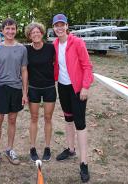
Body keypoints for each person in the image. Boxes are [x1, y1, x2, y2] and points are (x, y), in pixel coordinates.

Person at [52, 14, 94, 183]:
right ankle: (70, 149)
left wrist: (85, 86)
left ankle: (84, 163)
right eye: (56, 25)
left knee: (80, 123)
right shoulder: (54, 44)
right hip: (62, 86)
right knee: (68, 118)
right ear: (53, 28)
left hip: (77, 89)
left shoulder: (77, 43)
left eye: (62, 25)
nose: (59, 28)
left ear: (67, 26)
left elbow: (87, 66)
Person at [0, 18, 28, 168]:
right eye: (7, 29)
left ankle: (9, 149)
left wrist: (25, 92)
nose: (10, 31)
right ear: (2, 31)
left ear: (16, 30)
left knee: (12, 120)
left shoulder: (22, 49)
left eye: (13, 29)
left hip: (16, 89)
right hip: (0, 88)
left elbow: (24, 71)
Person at [24, 22, 56, 162]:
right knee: (34, 118)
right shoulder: (26, 50)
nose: (35, 34)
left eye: (38, 32)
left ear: (42, 33)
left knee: (48, 118)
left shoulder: (51, 48)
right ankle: (32, 147)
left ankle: (47, 147)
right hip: (34, 88)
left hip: (49, 87)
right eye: (33, 33)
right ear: (29, 36)